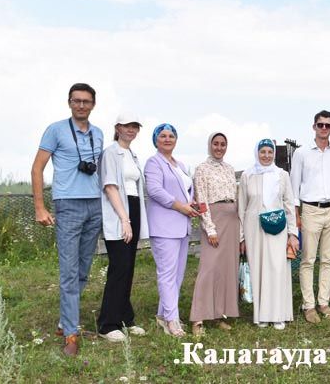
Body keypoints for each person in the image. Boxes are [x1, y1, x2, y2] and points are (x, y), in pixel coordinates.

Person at [32, 83, 105, 356]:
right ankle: (72, 335)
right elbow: (37, 168)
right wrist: (40, 207)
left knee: (84, 269)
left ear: (93, 105)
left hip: (94, 205)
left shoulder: (97, 134)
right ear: (69, 103)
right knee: (69, 270)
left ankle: (66, 321)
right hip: (67, 204)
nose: (81, 105)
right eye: (77, 101)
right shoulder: (56, 130)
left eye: (86, 101)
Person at [96, 113, 149, 343]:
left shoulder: (132, 154)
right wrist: (124, 219)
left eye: (135, 126)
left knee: (128, 267)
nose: (131, 130)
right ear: (117, 127)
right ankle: (108, 324)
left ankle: (125, 318)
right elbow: (110, 187)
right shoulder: (111, 152)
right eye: (127, 126)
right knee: (119, 266)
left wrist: (132, 217)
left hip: (134, 207)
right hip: (119, 211)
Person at [145, 123, 200, 338]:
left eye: (171, 136)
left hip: (182, 226)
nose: (167, 139)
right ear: (156, 140)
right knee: (167, 274)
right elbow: (155, 190)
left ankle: (162, 314)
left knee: (177, 275)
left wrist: (191, 202)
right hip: (164, 226)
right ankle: (172, 320)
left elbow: (186, 191)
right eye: (163, 136)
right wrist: (181, 206)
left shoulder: (180, 165)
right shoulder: (153, 162)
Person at [239, 139, 299, 329]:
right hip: (253, 228)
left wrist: (293, 233)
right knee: (258, 269)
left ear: (274, 154)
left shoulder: (281, 175)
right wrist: (241, 237)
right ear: (257, 153)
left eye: (269, 152)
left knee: (277, 268)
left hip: (277, 227)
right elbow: (241, 208)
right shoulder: (247, 175)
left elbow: (289, 205)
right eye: (262, 151)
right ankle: (262, 315)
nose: (266, 155)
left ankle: (279, 314)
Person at [290, 110, 330, 323]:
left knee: (328, 259)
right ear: (314, 127)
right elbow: (294, 188)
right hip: (310, 209)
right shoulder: (302, 153)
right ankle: (308, 305)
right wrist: (297, 216)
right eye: (320, 124)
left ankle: (324, 303)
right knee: (308, 260)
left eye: (327, 125)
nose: (323, 128)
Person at [189, 132, 241, 336]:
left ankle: (220, 314)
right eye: (216, 144)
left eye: (223, 144)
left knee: (226, 270)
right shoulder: (202, 169)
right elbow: (201, 200)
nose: (219, 147)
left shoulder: (229, 169)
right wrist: (209, 228)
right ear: (210, 145)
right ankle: (198, 317)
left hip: (232, 219)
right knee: (209, 268)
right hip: (215, 219)